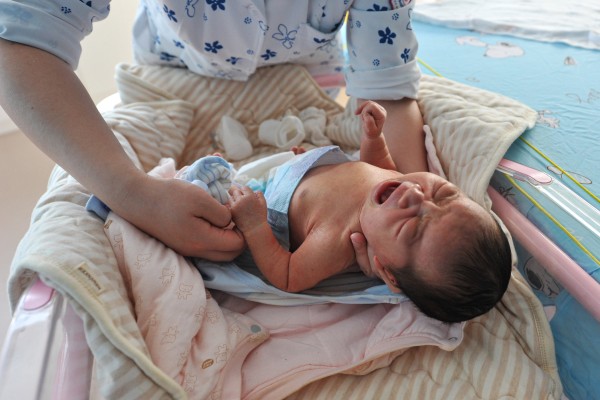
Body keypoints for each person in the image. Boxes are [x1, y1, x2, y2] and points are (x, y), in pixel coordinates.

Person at [0, 1, 425, 261]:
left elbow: (387, 85)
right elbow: (18, 41)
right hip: (174, 77)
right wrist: (134, 193)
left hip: (309, 81)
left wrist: (417, 187)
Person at [228, 101, 512, 323]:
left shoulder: (337, 242)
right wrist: (374, 138)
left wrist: (254, 225)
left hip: (270, 193)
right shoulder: (396, 189)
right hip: (304, 169)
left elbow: (288, 276)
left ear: (387, 271)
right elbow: (379, 166)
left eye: (412, 227)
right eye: (443, 193)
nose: (413, 194)